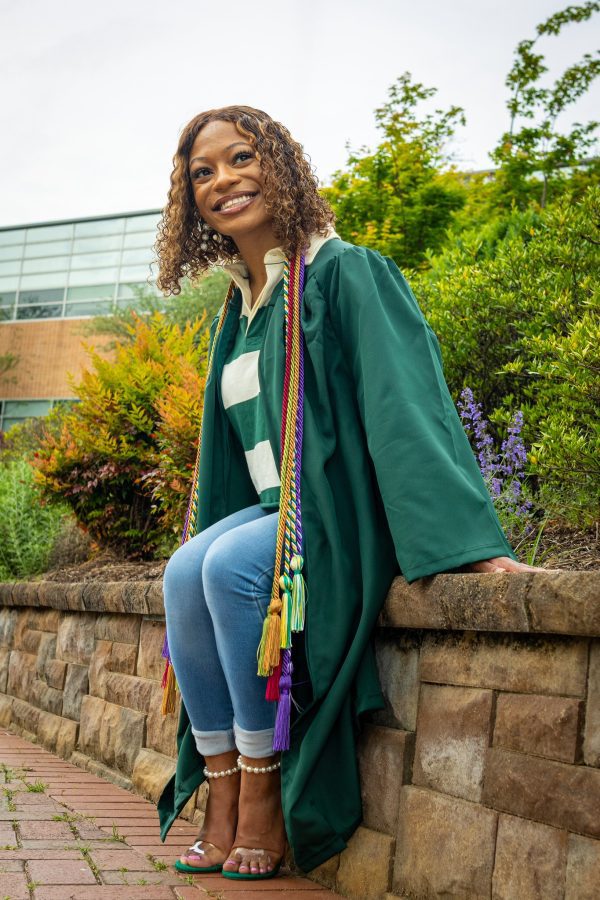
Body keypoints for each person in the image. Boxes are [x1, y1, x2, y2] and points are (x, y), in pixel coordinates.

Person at [155, 105, 538, 881]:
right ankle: (221, 795)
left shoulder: (342, 271)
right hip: (272, 517)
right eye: (204, 173)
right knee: (182, 571)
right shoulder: (242, 304)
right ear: (190, 200)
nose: (223, 179)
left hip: (338, 520)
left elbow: (406, 410)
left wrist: (471, 548)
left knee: (227, 568)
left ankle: (262, 798)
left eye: (241, 157)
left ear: (281, 165)